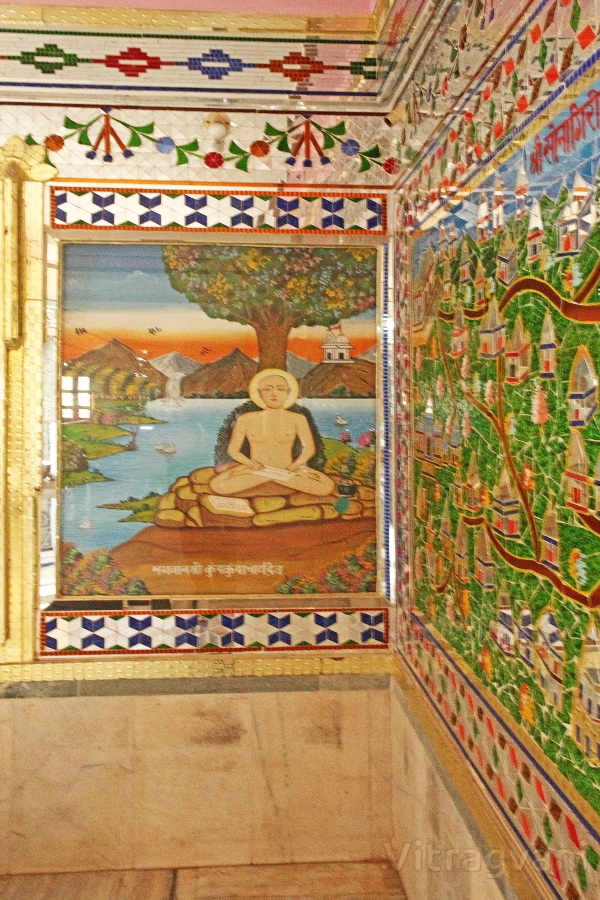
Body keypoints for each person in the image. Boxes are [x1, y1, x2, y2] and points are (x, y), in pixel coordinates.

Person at [210, 369, 334, 497]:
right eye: (267, 389)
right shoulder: (245, 419)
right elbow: (233, 450)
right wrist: (251, 465)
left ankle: (274, 477)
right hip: (257, 470)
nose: (274, 394)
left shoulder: (297, 419)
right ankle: (273, 478)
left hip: (287, 470)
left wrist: (293, 466)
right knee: (217, 485)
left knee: (326, 486)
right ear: (259, 393)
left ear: (288, 392)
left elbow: (309, 449)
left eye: (280, 389)